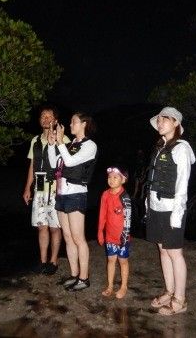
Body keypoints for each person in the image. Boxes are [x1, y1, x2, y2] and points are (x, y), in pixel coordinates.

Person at [146, 107, 196, 315]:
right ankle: (169, 290)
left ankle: (180, 299)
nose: (160, 123)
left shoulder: (181, 148)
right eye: (158, 120)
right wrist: (148, 205)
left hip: (172, 208)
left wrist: (178, 213)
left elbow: (182, 183)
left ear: (176, 123)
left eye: (164, 119)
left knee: (175, 253)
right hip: (156, 206)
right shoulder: (160, 147)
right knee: (163, 249)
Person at [47, 112, 97, 291]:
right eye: (70, 121)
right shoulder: (69, 144)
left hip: (76, 193)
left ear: (84, 124)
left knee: (78, 237)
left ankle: (84, 278)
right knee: (67, 237)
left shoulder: (90, 145)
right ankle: (74, 274)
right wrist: (53, 144)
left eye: (74, 121)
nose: (70, 124)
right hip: (61, 193)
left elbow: (70, 162)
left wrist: (60, 142)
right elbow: (54, 164)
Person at [23, 106, 70, 275]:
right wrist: (28, 187)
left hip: (56, 186)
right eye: (43, 116)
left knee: (55, 227)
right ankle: (42, 261)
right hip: (40, 184)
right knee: (41, 225)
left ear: (55, 120)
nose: (45, 119)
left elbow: (68, 164)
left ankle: (53, 261)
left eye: (49, 116)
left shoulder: (63, 138)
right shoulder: (35, 141)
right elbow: (32, 165)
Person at [97, 166, 132, 299]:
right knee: (111, 260)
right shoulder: (105, 194)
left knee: (123, 261)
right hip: (110, 236)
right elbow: (102, 215)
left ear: (123, 180)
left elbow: (128, 218)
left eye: (115, 177)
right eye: (109, 177)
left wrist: (125, 236)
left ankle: (123, 286)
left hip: (122, 236)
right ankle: (110, 286)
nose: (111, 180)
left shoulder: (125, 197)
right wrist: (100, 232)